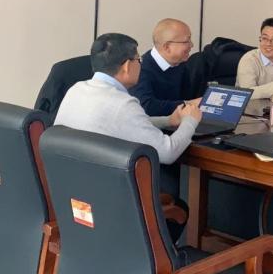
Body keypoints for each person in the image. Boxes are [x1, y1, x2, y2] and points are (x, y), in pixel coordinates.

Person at [54, 33, 201, 241]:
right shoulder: (122, 104)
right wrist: (190, 121)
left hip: (74, 198)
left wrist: (169, 120)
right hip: (112, 206)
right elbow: (168, 153)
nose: (140, 65)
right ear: (126, 66)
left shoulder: (76, 90)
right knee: (179, 208)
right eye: (138, 60)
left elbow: (123, 123)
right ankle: (158, 259)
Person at [131, 18, 200, 117]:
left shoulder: (180, 63)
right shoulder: (139, 69)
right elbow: (147, 107)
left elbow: (189, 96)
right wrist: (188, 104)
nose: (192, 45)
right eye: (186, 41)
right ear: (167, 47)